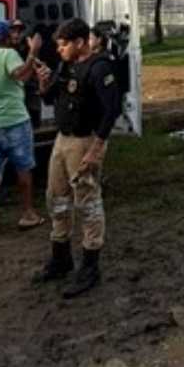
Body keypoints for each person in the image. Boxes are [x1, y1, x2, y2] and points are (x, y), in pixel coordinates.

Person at [33, 19, 122, 298]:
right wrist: (44, 83)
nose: (59, 50)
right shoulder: (66, 66)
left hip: (85, 141)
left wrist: (96, 149)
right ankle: (61, 258)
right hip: (63, 139)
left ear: (80, 42)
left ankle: (90, 266)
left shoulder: (99, 68)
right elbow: (51, 98)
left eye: (63, 45)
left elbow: (112, 110)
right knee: (57, 198)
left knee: (87, 203)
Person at [0, 20, 45, 238]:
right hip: (14, 122)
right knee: (23, 167)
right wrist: (33, 52)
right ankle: (28, 213)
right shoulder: (9, 54)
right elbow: (21, 75)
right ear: (6, 37)